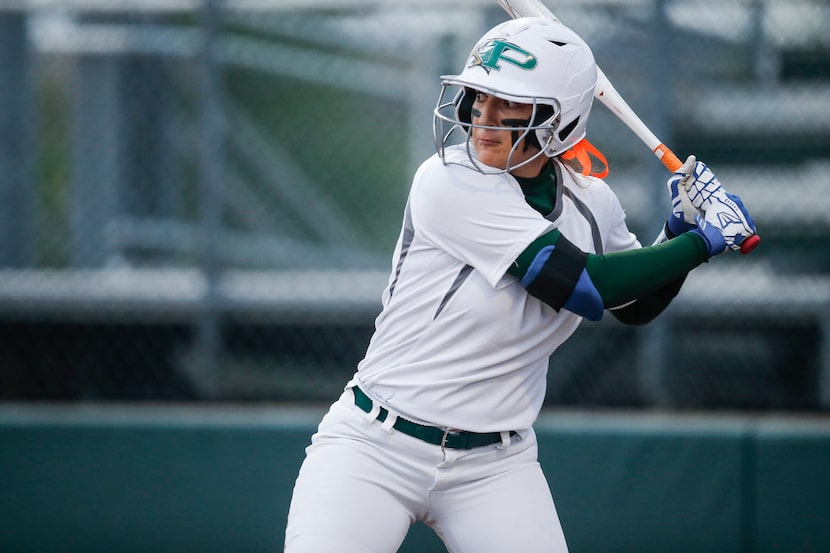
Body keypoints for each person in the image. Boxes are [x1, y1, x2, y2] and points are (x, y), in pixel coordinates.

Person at [284, 16, 755, 553]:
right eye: (479, 100)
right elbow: (581, 284)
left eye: (508, 105)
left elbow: (634, 305)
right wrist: (703, 243)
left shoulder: (592, 202)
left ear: (561, 120)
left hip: (495, 465)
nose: (483, 119)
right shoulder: (449, 179)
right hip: (375, 446)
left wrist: (680, 233)